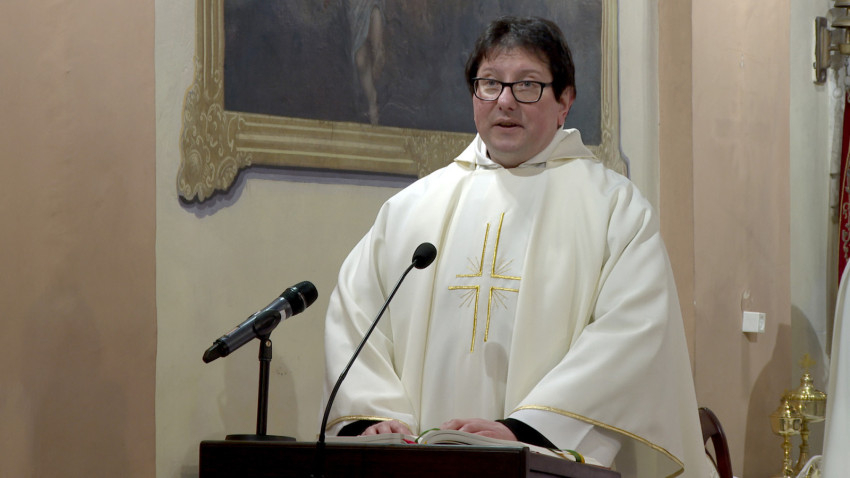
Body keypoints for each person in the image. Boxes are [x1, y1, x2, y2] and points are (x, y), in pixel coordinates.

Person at [323, 16, 708, 478]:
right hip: (417, 464)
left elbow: (633, 330)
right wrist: (375, 416)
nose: (505, 101)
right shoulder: (411, 209)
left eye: (527, 85)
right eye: (490, 83)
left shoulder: (614, 210)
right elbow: (356, 314)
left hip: (544, 464)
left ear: (564, 101)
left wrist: (525, 429)